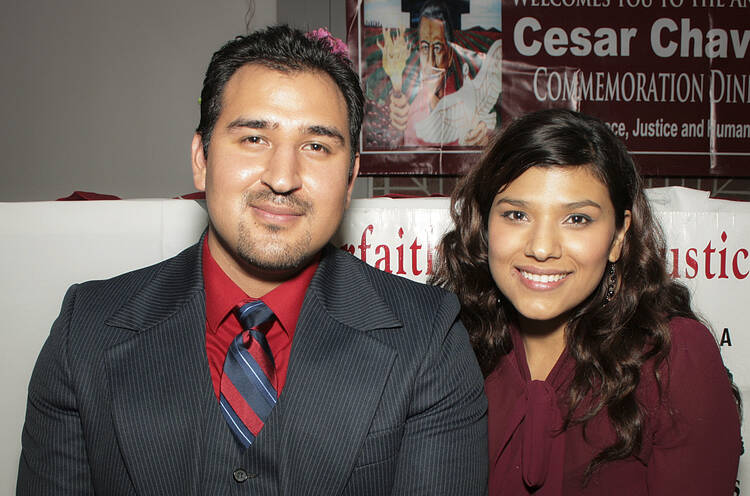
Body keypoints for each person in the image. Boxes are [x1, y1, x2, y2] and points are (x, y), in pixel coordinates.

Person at [17, 25, 487, 495]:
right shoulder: (88, 330)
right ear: (201, 158)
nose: (283, 178)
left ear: (350, 179)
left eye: (317, 146)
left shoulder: (429, 338)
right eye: (254, 139)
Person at [432, 108, 742, 495]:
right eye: (516, 214)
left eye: (577, 219)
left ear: (617, 237)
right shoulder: (447, 345)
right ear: (484, 225)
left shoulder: (673, 357)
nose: (542, 248)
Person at [385, 1, 491, 147]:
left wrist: (483, 141)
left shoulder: (467, 105)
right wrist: (396, 130)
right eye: (424, 48)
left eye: (437, 48)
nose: (431, 61)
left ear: (449, 55)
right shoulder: (408, 106)